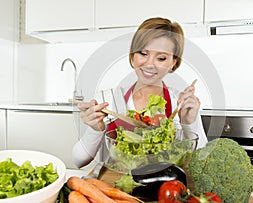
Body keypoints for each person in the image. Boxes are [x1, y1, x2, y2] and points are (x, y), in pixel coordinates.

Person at [72, 17, 208, 168]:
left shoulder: (181, 103)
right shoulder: (107, 100)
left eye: (161, 58)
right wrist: (94, 130)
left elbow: (203, 161)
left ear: (173, 63)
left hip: (164, 189)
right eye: (143, 53)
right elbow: (78, 161)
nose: (149, 64)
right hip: (118, 186)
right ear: (133, 55)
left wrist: (190, 124)